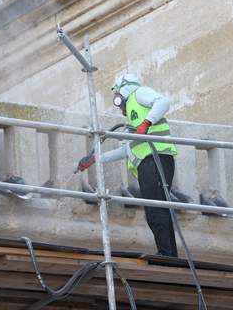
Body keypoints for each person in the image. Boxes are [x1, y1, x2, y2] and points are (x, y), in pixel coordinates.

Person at [77, 73, 179, 257]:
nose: (119, 105)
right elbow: (125, 151)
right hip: (149, 162)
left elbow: (163, 102)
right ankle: (169, 254)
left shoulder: (139, 94)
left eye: (117, 96)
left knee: (155, 209)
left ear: (122, 90)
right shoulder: (132, 121)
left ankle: (167, 254)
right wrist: (96, 159)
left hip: (155, 158)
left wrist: (147, 123)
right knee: (155, 209)